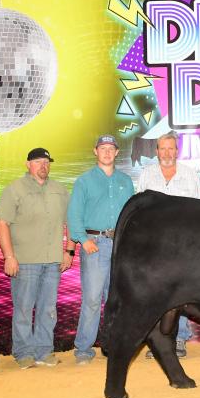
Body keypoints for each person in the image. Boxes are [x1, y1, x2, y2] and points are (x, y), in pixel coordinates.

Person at [0, 148, 75, 369]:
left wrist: (69, 251)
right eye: (38, 162)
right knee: (23, 308)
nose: (43, 166)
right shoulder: (14, 189)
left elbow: (72, 221)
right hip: (24, 260)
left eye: (47, 162)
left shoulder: (59, 190)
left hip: (53, 260)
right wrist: (9, 256)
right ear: (28, 164)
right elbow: (2, 223)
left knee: (48, 308)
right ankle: (24, 353)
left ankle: (44, 351)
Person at [67, 134, 134, 365]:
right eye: (102, 148)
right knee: (93, 299)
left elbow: (132, 214)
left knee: (117, 300)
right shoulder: (84, 181)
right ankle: (83, 349)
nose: (107, 152)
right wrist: (83, 239)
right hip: (94, 243)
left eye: (111, 148)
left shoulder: (126, 181)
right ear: (95, 151)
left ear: (117, 153)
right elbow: (73, 214)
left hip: (121, 246)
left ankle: (114, 345)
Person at [138, 132, 200, 359]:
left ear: (177, 150)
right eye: (163, 148)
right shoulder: (146, 175)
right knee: (155, 294)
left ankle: (180, 339)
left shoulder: (190, 175)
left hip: (183, 247)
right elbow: (139, 212)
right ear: (157, 151)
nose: (167, 153)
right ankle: (156, 341)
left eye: (171, 148)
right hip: (154, 247)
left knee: (181, 293)